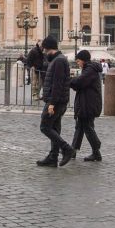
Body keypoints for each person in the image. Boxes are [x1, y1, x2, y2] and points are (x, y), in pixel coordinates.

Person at [35, 35, 75, 167]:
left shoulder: (58, 61)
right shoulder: (58, 59)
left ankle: (67, 149)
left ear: (48, 48)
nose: (44, 52)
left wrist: (52, 103)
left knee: (45, 126)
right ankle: (53, 157)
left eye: (44, 49)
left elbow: (57, 84)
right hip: (60, 100)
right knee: (54, 129)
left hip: (56, 101)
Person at [69, 49, 103, 161]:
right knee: (81, 126)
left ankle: (96, 146)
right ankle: (74, 151)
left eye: (78, 61)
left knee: (87, 127)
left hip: (88, 103)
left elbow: (80, 82)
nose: (77, 63)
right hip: (87, 102)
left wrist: (69, 80)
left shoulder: (90, 70)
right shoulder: (89, 69)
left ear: (83, 60)